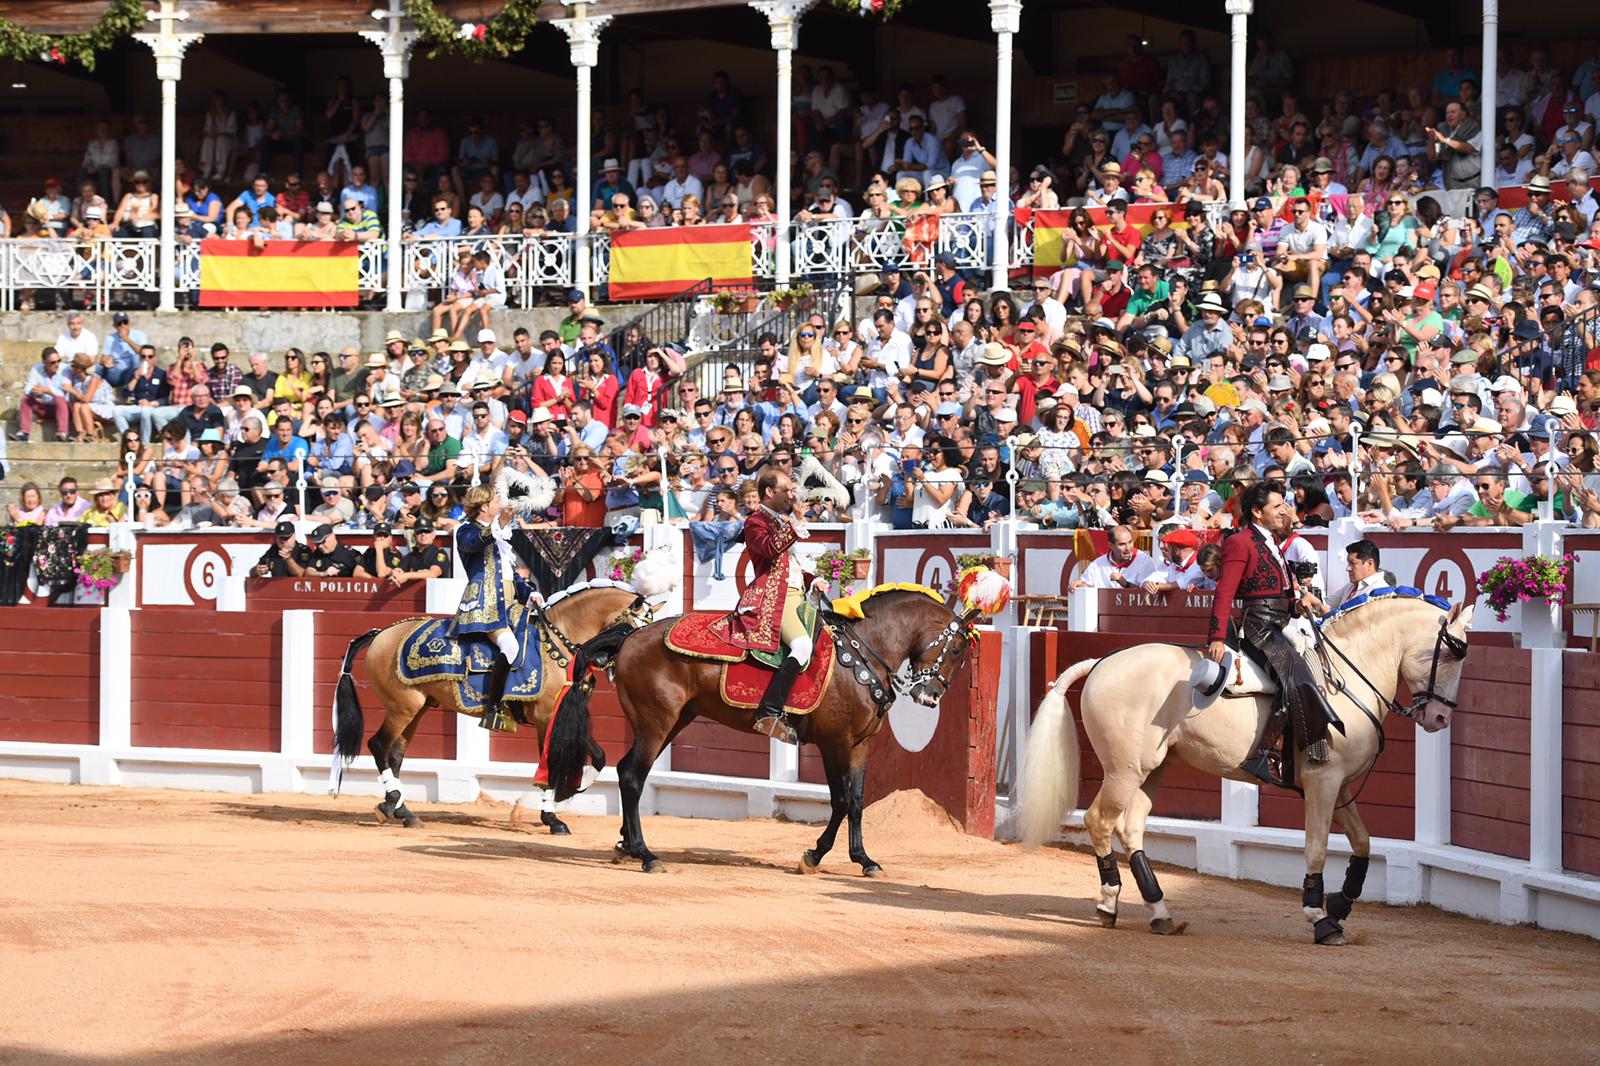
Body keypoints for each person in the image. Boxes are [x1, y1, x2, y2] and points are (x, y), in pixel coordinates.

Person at [1205, 481, 1341, 781]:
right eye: (1277, 506)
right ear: (1256, 511)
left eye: (1285, 504)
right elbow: (1225, 592)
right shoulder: (1241, 542)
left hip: (1278, 622)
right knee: (1297, 676)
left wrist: (1298, 603)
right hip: (1259, 628)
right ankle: (1265, 753)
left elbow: (1273, 592)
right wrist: (1216, 636)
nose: (1285, 510)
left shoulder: (1271, 543)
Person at [708, 469, 817, 744]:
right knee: (802, 646)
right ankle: (769, 712)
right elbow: (769, 550)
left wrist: (814, 580)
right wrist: (796, 521)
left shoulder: (778, 521)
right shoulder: (755, 521)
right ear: (769, 492)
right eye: (787, 490)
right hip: (773, 600)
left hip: (794, 595)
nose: (792, 495)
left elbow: (788, 567)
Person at [450, 484, 534, 733]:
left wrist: (532, 593)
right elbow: (473, 543)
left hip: (507, 605)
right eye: (496, 500)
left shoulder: (499, 535)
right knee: (510, 646)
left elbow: (511, 577)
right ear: (485, 506)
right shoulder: (466, 530)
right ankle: (493, 709)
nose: (501, 503)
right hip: (485, 606)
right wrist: (499, 523)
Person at [1329, 538, 1389, 608]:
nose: (1348, 568)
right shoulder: (1351, 586)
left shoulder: (1381, 590)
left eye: (1353, 563)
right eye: (1348, 563)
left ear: (1369, 564)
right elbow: (1327, 604)